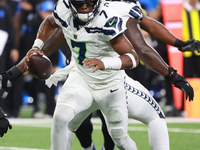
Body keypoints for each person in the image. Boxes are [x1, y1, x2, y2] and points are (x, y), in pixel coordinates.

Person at [0, 0, 195, 149]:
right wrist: (28, 57)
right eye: (79, 3)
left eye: (88, 3)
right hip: (80, 75)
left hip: (110, 81)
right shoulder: (65, 9)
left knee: (121, 136)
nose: (84, 7)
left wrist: (174, 70)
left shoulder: (111, 15)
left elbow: (138, 51)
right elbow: (54, 30)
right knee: (61, 119)